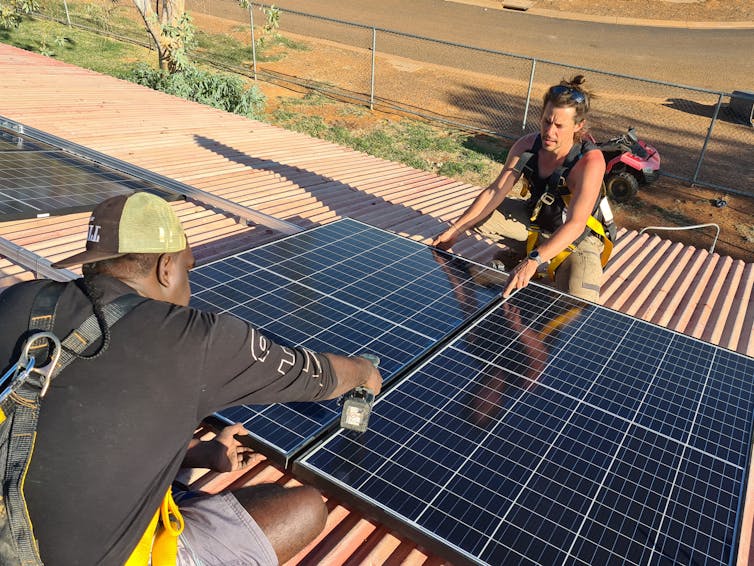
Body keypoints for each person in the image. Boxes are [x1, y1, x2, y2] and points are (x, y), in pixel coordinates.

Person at [0, 191, 382, 565]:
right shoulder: (199, 339)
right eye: (189, 266)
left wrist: (195, 455)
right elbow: (317, 376)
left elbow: (65, 427)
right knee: (305, 508)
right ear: (166, 267)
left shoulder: (18, 300)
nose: (189, 280)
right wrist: (365, 371)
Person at [432, 75, 610, 303]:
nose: (549, 132)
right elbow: (494, 191)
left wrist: (534, 260)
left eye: (559, 126)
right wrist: (456, 229)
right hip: (536, 220)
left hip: (579, 238)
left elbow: (576, 225)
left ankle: (526, 258)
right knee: (479, 216)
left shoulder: (590, 162)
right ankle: (521, 255)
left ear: (578, 126)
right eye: (547, 121)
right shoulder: (527, 146)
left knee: (579, 302)